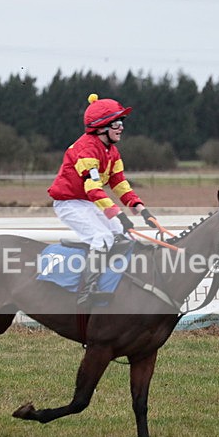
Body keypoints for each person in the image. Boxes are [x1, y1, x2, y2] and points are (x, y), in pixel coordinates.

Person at [48, 93, 157, 305]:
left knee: (124, 235)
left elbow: (120, 184)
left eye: (122, 122)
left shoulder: (112, 151)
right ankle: (87, 291)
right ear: (101, 127)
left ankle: (119, 283)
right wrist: (119, 214)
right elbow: (93, 189)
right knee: (102, 237)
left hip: (89, 202)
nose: (121, 127)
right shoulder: (86, 149)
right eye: (116, 123)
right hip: (69, 203)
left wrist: (141, 209)